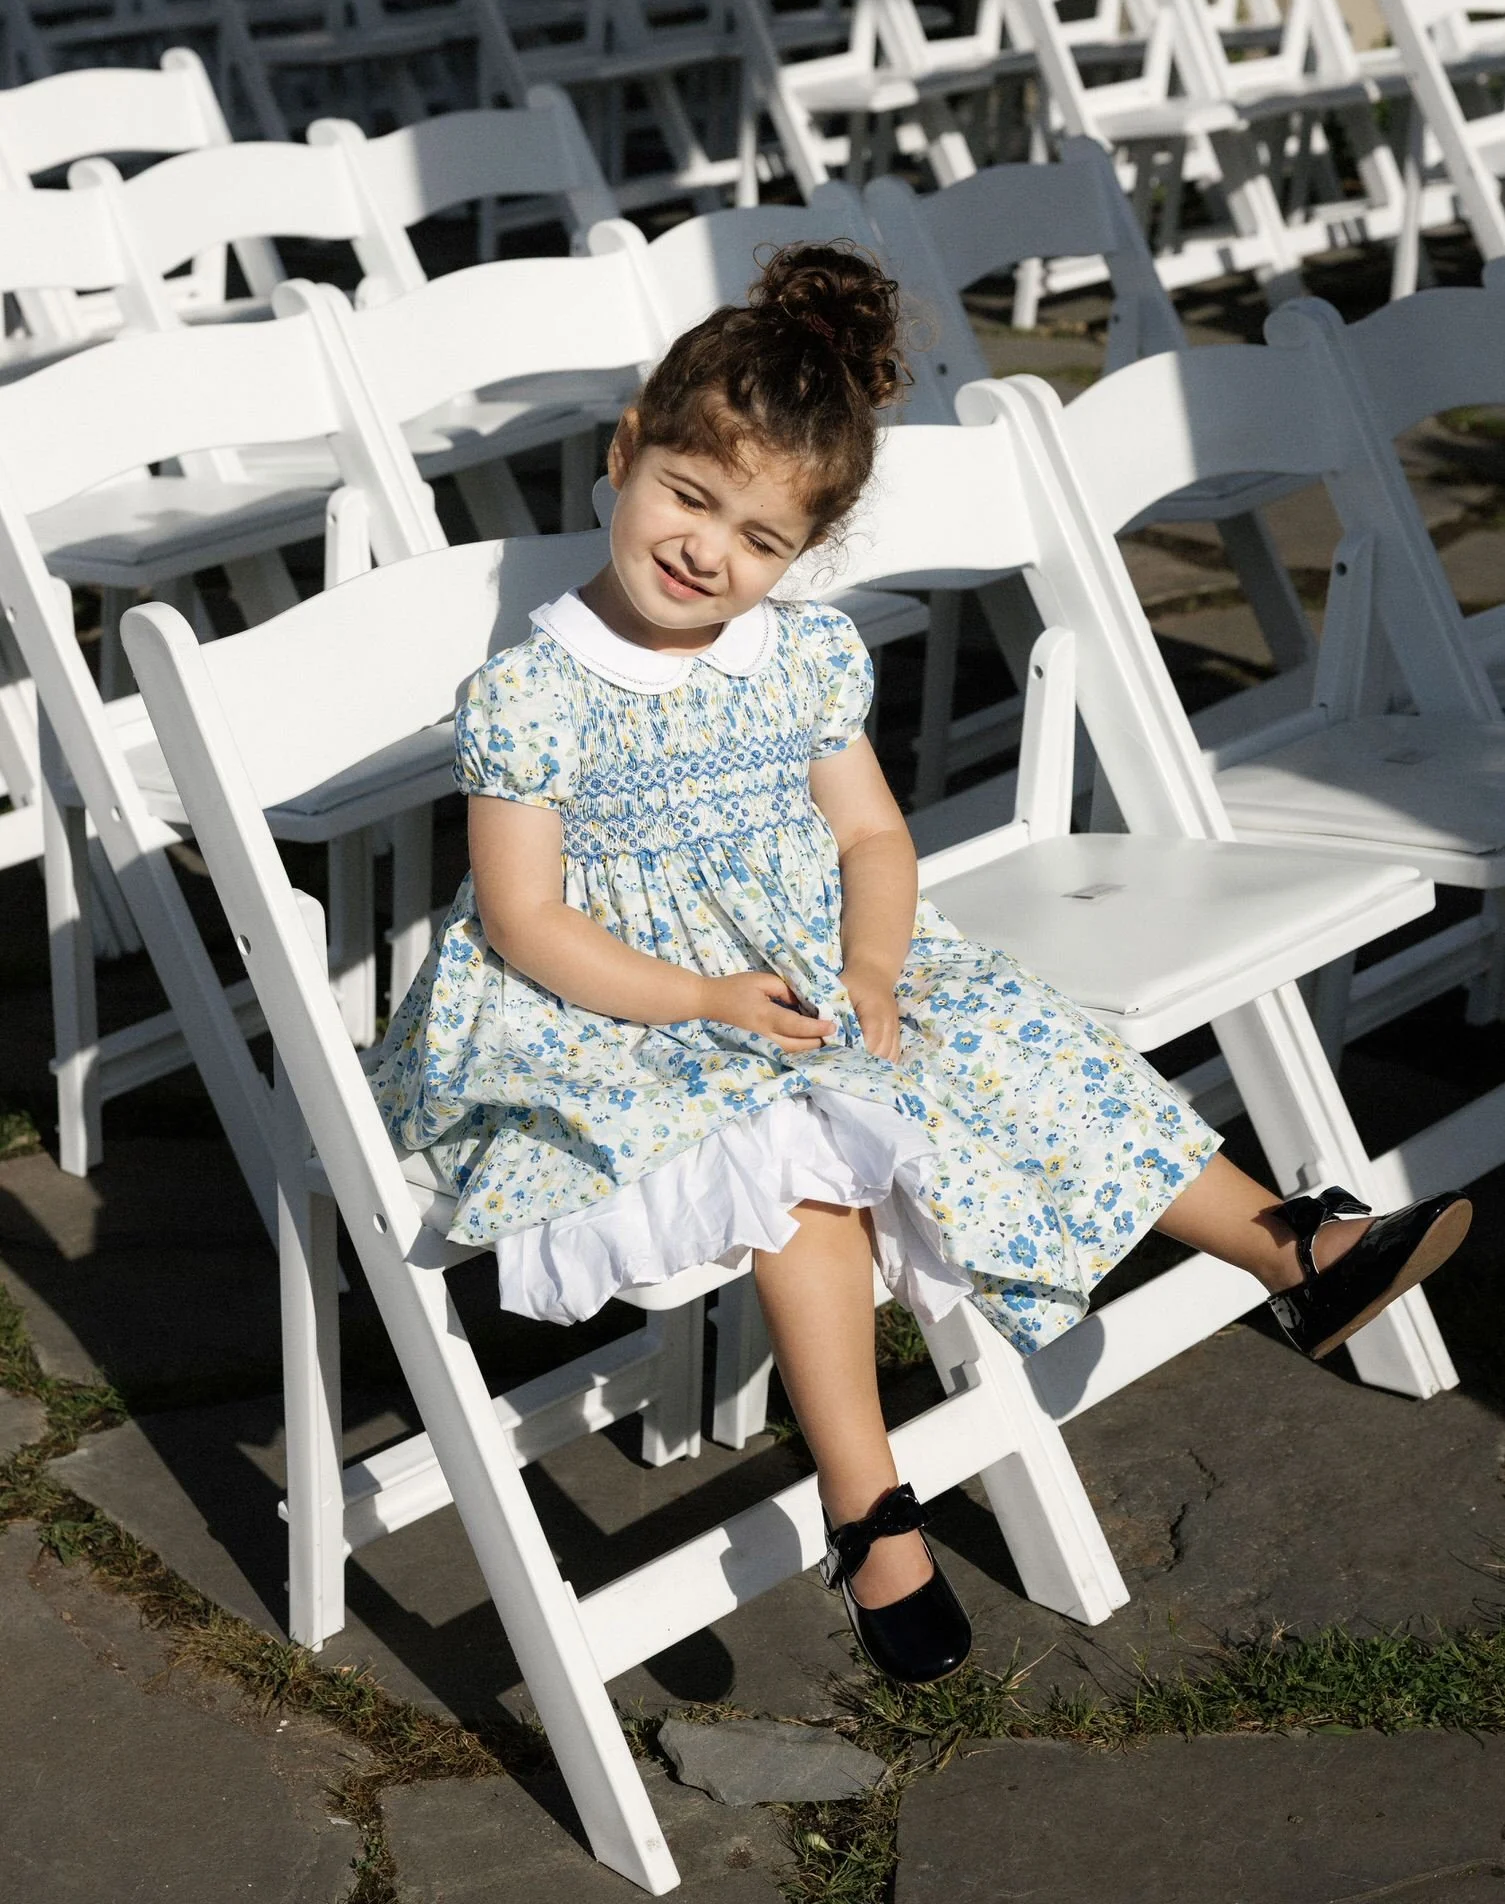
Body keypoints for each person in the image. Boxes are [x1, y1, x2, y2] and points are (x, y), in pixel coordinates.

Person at [371, 244, 1472, 1687]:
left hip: (808, 962)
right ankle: (868, 1503)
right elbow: (526, 920)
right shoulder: (535, 688)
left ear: (802, 556)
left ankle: (1294, 1249)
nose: (710, 551)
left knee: (1023, 1035)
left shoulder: (803, 659)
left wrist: (879, 968)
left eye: (759, 538)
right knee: (792, 1150)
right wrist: (704, 997)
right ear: (627, 452)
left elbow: (874, 839)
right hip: (609, 1003)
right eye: (690, 497)